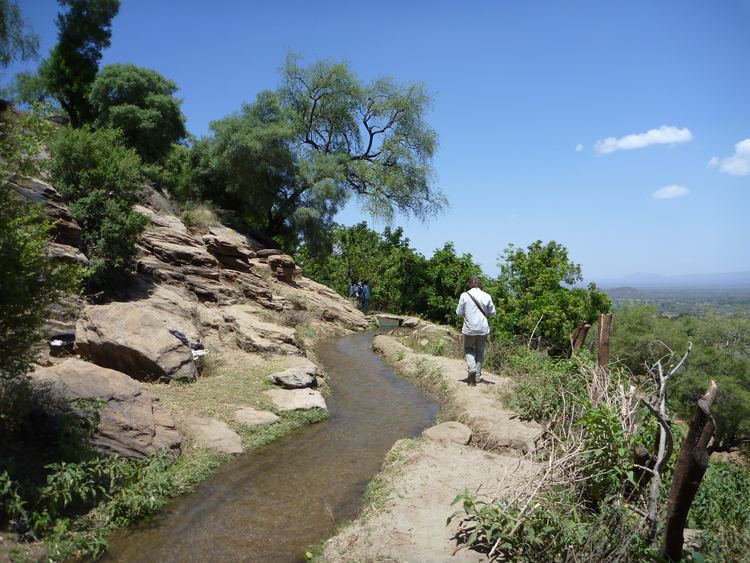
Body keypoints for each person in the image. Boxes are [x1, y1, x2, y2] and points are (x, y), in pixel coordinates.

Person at [456, 275, 496, 385]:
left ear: (470, 283)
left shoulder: (464, 295)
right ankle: (478, 376)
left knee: (468, 348)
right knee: (479, 351)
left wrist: (468, 312)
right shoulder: (487, 296)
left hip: (469, 328)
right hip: (483, 328)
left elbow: (459, 312)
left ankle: (472, 368)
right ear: (480, 283)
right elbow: (492, 312)